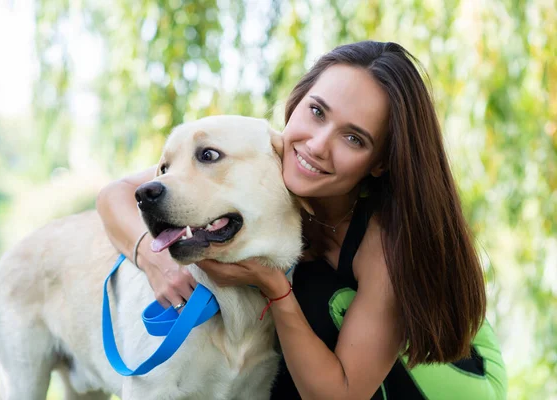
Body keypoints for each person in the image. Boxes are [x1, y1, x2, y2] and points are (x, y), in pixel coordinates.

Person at [96, 41, 507, 399]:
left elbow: (338, 394)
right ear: (298, 102)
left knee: (313, 304)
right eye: (316, 111)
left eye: (353, 138)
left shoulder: (387, 245)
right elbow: (117, 194)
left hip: (438, 377)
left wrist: (274, 286)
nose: (316, 144)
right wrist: (154, 260)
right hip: (336, 367)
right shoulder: (261, 160)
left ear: (380, 162)